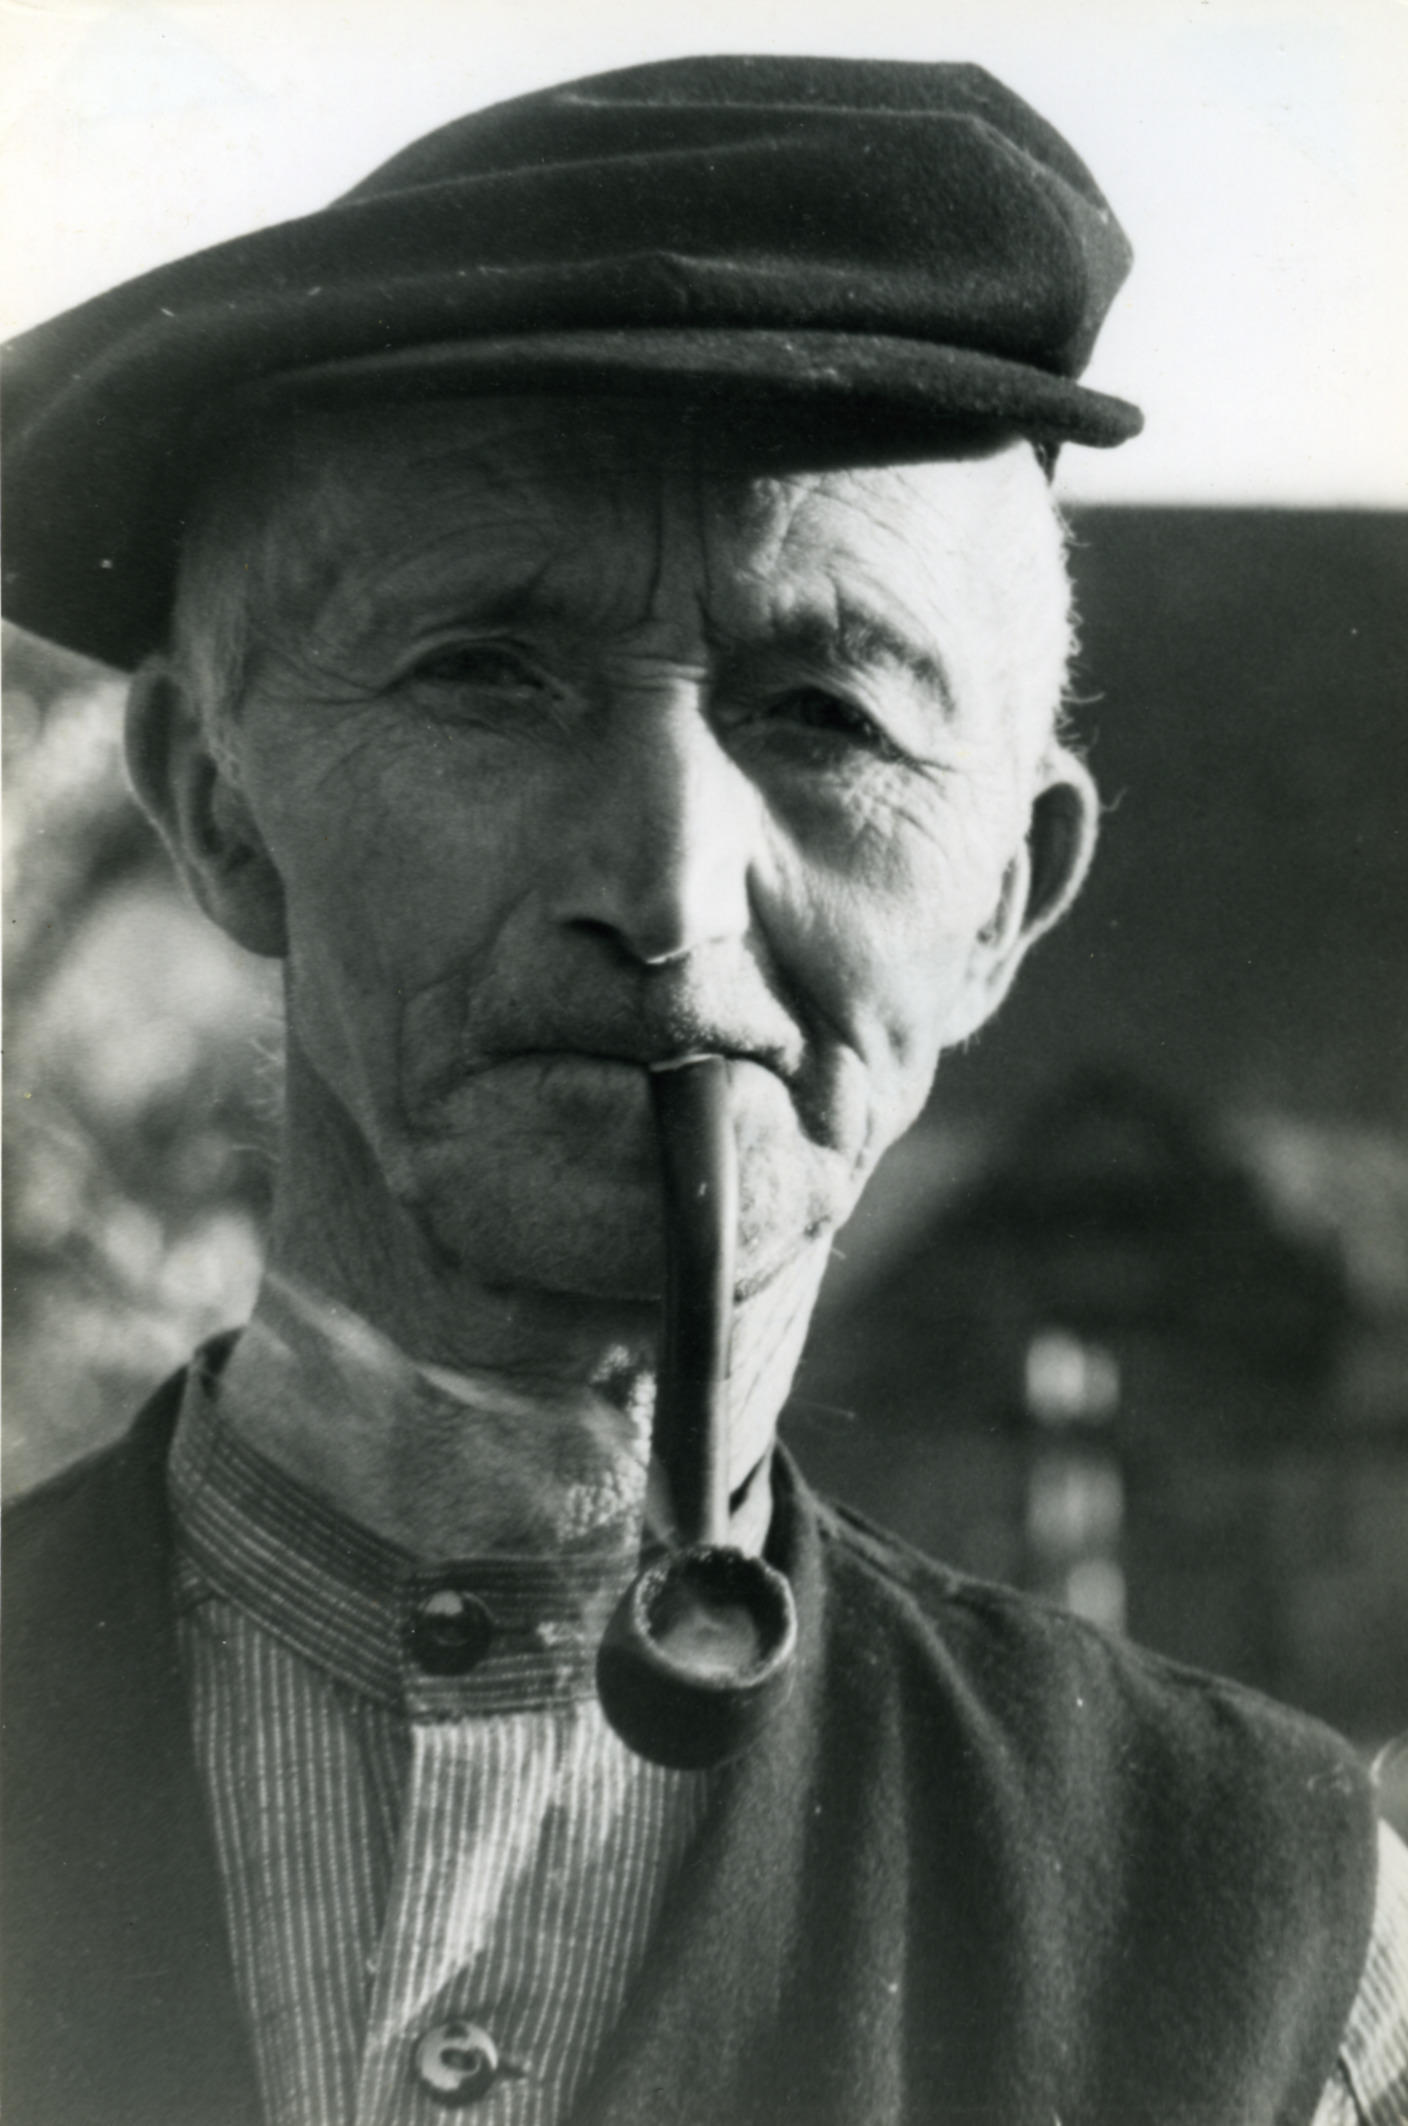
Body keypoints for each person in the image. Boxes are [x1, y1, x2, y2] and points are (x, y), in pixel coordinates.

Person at [2, 55, 1405, 2126]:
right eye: (489, 674)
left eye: (824, 712)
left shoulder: (1278, 1952)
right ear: (214, 806)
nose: (665, 891)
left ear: (1002, 899)